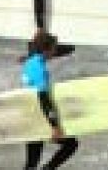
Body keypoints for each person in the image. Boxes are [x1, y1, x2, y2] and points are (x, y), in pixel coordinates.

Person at [22, 32, 78, 169]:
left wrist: (70, 49)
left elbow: (42, 51)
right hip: (39, 116)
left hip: (30, 114)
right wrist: (55, 127)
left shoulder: (32, 60)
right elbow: (43, 99)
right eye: (53, 48)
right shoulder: (39, 69)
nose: (55, 51)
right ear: (46, 50)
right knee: (71, 144)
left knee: (31, 163)